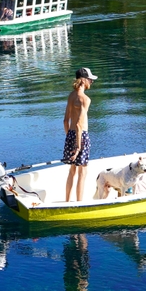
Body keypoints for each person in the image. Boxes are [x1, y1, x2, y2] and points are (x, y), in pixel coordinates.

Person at [63, 67, 97, 202]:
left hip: (70, 134)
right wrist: (78, 146)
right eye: (90, 79)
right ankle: (79, 203)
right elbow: (79, 125)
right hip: (81, 136)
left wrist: (69, 138)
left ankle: (67, 201)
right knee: (83, 172)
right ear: (83, 80)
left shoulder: (71, 96)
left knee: (72, 171)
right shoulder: (85, 99)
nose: (91, 82)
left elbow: (66, 120)